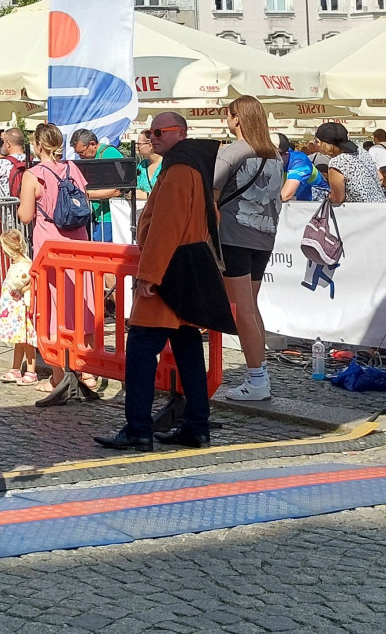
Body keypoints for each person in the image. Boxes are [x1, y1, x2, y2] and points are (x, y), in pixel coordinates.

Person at [94, 112, 235, 452]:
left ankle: (139, 429)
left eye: (159, 131)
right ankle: (197, 426)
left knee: (142, 350)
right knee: (187, 350)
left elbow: (165, 227)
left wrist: (149, 275)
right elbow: (209, 217)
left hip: (169, 272)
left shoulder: (177, 170)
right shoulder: (196, 166)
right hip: (189, 266)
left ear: (180, 133)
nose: (152, 136)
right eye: (150, 131)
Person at [17, 123, 98, 397]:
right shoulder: (72, 169)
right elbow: (84, 201)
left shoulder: (34, 175)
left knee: (54, 308)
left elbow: (26, 216)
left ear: (38, 145)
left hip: (52, 248)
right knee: (83, 304)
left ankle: (58, 376)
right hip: (80, 244)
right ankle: (88, 371)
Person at [213, 95, 282, 402]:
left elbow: (209, 192)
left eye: (228, 116)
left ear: (236, 118)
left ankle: (257, 378)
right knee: (251, 306)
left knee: (241, 309)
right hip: (264, 235)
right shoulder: (274, 153)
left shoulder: (233, 151)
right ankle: (259, 373)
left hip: (234, 234)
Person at [0, 229, 38, 386]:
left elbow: (31, 284)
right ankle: (15, 368)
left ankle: (31, 371)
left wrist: (23, 290)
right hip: (13, 308)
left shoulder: (24, 265)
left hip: (20, 308)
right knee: (18, 341)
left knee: (26, 341)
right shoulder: (18, 264)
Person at [70, 128, 123, 241]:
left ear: (92, 144)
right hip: (98, 216)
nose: (80, 156)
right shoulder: (94, 157)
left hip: (110, 217)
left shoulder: (109, 154)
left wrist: (84, 195)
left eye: (82, 152)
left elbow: (117, 190)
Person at [315, 122, 386, 204]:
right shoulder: (361, 151)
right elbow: (380, 177)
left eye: (317, 141)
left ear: (326, 144)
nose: (317, 145)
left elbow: (338, 198)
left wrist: (328, 197)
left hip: (361, 212)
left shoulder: (337, 163)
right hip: (380, 206)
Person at [277, 133, 329, 202]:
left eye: (274, 156)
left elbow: (285, 196)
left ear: (285, 154)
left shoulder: (299, 160)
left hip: (317, 205)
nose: (269, 160)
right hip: (299, 204)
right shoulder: (280, 159)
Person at [135, 131, 162, 198]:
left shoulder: (166, 165)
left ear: (150, 145)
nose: (136, 146)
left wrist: (147, 195)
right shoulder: (142, 165)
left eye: (139, 144)